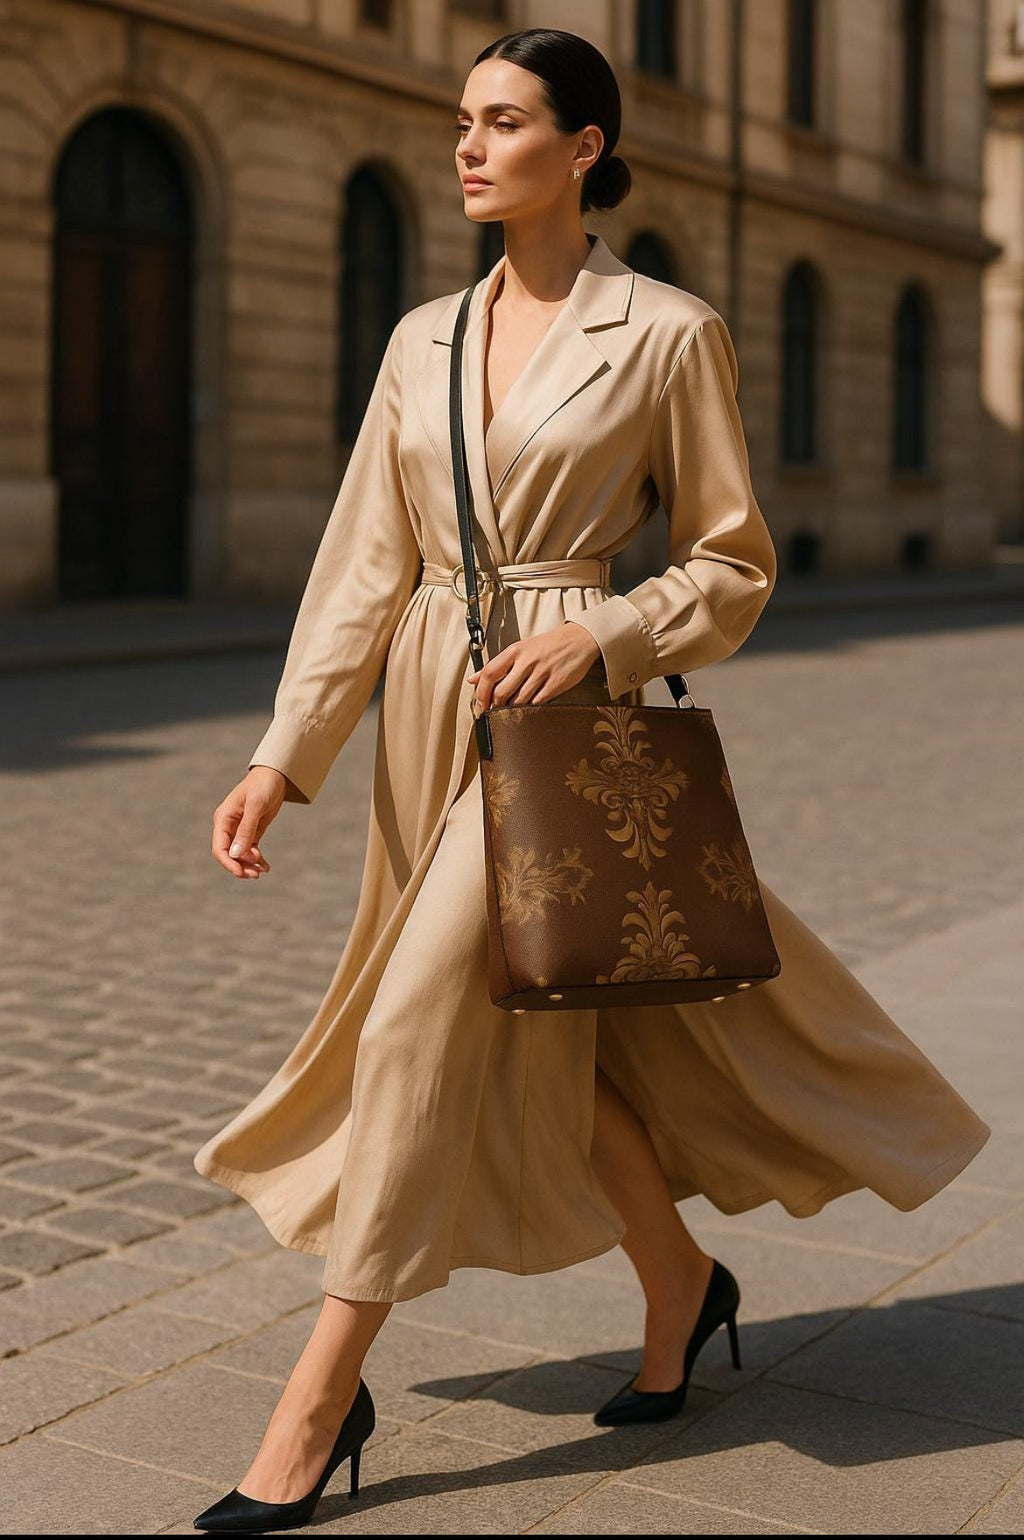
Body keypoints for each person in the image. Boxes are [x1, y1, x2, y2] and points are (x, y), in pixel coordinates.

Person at [192, 27, 990, 1533]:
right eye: (461, 123)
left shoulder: (669, 330)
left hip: (559, 712)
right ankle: (682, 1284)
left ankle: (317, 1399)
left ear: (588, 144)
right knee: (566, 1038)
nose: (470, 148)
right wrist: (281, 755)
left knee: (426, 1012)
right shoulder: (419, 337)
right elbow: (365, 562)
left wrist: (609, 637)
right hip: (431, 705)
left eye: (503, 121)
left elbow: (731, 559)